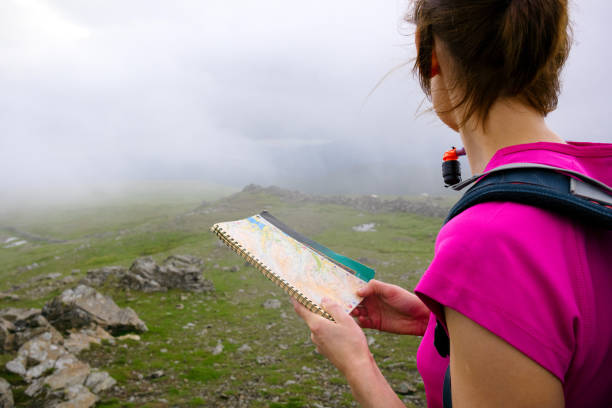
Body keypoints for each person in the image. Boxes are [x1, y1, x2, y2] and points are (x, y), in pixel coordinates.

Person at [293, 1, 612, 407]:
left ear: (429, 55)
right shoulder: (596, 180)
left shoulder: (489, 240)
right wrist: (447, 321)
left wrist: (357, 363)